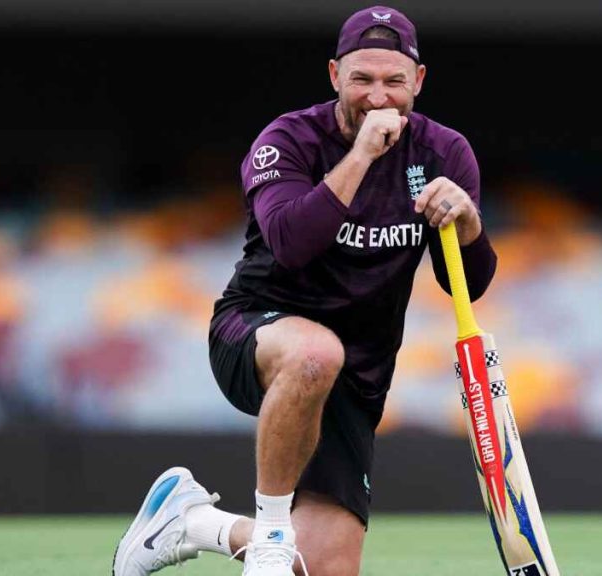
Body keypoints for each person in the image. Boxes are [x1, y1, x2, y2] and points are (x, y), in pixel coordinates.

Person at [113, 5, 497, 576]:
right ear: (335, 75)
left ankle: (190, 523)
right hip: (257, 330)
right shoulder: (287, 140)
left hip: (359, 374)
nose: (378, 97)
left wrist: (466, 222)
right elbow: (292, 243)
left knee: (320, 569)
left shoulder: (445, 153)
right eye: (362, 79)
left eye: (393, 81)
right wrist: (363, 155)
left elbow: (468, 282)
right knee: (316, 352)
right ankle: (270, 531)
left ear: (418, 81)